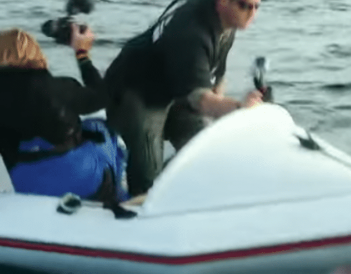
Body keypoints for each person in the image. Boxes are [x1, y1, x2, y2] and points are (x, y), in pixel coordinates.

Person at [0, 26, 129, 202]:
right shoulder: (60, 87)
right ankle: (117, 196)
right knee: (99, 127)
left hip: (31, 190)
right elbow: (103, 96)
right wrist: (82, 53)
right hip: (84, 180)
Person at [103, 0, 264, 197]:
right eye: (245, 6)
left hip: (176, 89)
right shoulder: (193, 31)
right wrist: (240, 108)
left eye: (257, 6)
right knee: (148, 187)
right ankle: (143, 191)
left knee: (208, 151)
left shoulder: (226, 22)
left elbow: (216, 79)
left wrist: (222, 119)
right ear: (222, 2)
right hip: (137, 91)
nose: (251, 14)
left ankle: (173, 182)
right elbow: (202, 100)